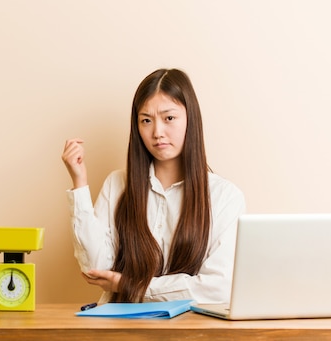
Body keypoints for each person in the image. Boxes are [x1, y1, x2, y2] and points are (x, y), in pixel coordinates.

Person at [61, 68, 246, 304]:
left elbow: (217, 288)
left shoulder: (224, 196)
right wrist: (79, 183)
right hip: (120, 330)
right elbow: (95, 267)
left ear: (191, 118)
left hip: (190, 332)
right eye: (146, 120)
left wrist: (128, 285)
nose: (157, 132)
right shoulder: (118, 184)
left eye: (169, 118)